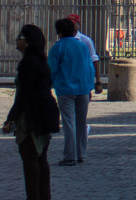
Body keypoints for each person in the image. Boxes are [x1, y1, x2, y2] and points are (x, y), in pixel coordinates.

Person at [3, 25, 60, 200]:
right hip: (45, 111)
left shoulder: (29, 62)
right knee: (40, 158)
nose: (16, 40)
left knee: (30, 159)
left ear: (27, 42)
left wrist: (10, 118)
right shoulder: (39, 60)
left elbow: (24, 94)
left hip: (34, 113)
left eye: (19, 37)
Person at [48, 18, 94, 165]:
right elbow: (90, 67)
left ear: (59, 32)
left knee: (69, 123)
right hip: (83, 88)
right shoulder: (82, 46)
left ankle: (70, 156)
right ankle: (81, 153)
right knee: (81, 122)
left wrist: (50, 84)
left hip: (65, 88)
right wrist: (89, 86)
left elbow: (52, 69)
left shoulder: (58, 47)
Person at [65, 14, 103, 97]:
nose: (70, 26)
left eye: (73, 24)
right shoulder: (62, 41)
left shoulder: (85, 40)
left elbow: (94, 59)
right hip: (67, 82)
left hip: (83, 82)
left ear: (78, 24)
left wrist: (98, 81)